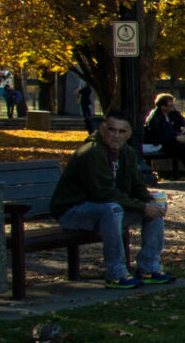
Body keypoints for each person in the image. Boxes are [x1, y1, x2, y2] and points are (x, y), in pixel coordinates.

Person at [53, 113, 171, 287]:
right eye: (112, 129)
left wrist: (151, 204)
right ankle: (115, 273)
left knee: (153, 212)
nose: (116, 135)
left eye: (121, 131)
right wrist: (142, 206)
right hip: (73, 211)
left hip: (105, 209)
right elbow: (103, 193)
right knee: (113, 209)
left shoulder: (127, 153)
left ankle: (149, 268)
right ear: (102, 129)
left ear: (128, 134)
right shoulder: (92, 152)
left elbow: (137, 186)